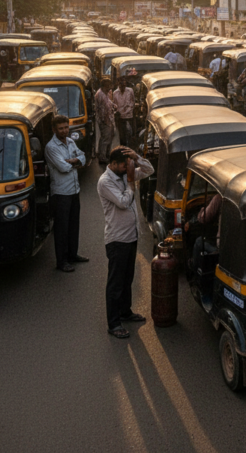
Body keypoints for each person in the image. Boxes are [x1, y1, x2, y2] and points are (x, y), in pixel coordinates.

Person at [97, 146, 154, 339]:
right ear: (112, 164)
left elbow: (149, 170)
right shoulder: (105, 182)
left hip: (131, 235)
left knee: (128, 278)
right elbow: (123, 202)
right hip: (117, 239)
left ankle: (125, 312)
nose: (126, 167)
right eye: (123, 165)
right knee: (116, 283)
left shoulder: (124, 173)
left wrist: (137, 158)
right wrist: (130, 180)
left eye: (127, 164)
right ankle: (113, 324)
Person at [45, 114, 88, 272]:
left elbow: (83, 157)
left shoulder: (70, 142)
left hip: (74, 190)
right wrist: (76, 162)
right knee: (62, 228)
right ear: (54, 129)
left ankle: (72, 255)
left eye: (66, 127)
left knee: (73, 225)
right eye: (61, 128)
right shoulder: (51, 147)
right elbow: (63, 168)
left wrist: (75, 161)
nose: (64, 131)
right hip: (61, 193)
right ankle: (61, 261)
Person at [94, 78, 116, 164]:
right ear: (103, 86)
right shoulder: (100, 95)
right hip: (105, 121)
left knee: (109, 138)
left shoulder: (105, 93)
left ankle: (106, 154)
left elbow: (108, 102)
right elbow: (102, 111)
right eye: (108, 86)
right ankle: (102, 157)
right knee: (105, 139)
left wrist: (113, 105)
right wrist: (106, 122)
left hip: (109, 119)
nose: (109, 88)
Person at [112, 75, 135, 146]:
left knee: (130, 134)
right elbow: (115, 105)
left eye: (124, 85)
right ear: (119, 84)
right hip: (120, 118)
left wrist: (127, 111)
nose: (123, 87)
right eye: (122, 85)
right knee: (122, 136)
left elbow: (132, 102)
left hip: (129, 116)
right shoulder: (115, 93)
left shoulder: (130, 91)